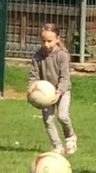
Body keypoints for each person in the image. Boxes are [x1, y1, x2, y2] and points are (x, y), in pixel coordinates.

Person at [28, 23, 77, 155]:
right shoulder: (37, 56)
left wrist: (59, 91)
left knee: (62, 116)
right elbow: (33, 76)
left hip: (63, 91)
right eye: (43, 41)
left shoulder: (62, 55)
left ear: (57, 39)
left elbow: (65, 78)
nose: (46, 44)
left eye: (49, 41)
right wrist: (31, 92)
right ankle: (57, 147)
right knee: (48, 119)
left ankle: (70, 136)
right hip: (46, 94)